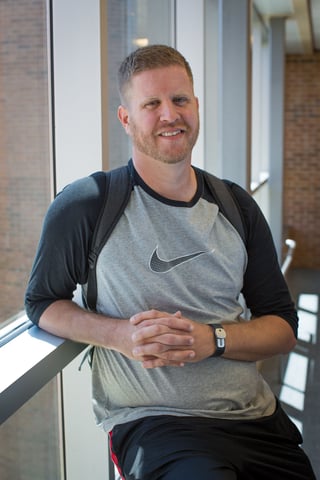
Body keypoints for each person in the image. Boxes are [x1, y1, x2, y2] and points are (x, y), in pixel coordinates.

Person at [25, 45, 316, 480]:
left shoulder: (236, 206)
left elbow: (281, 327)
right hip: (155, 426)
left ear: (196, 106)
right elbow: (41, 302)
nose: (169, 115)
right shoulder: (87, 205)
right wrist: (119, 335)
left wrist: (212, 339)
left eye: (180, 100)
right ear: (126, 119)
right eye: (151, 104)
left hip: (256, 418)